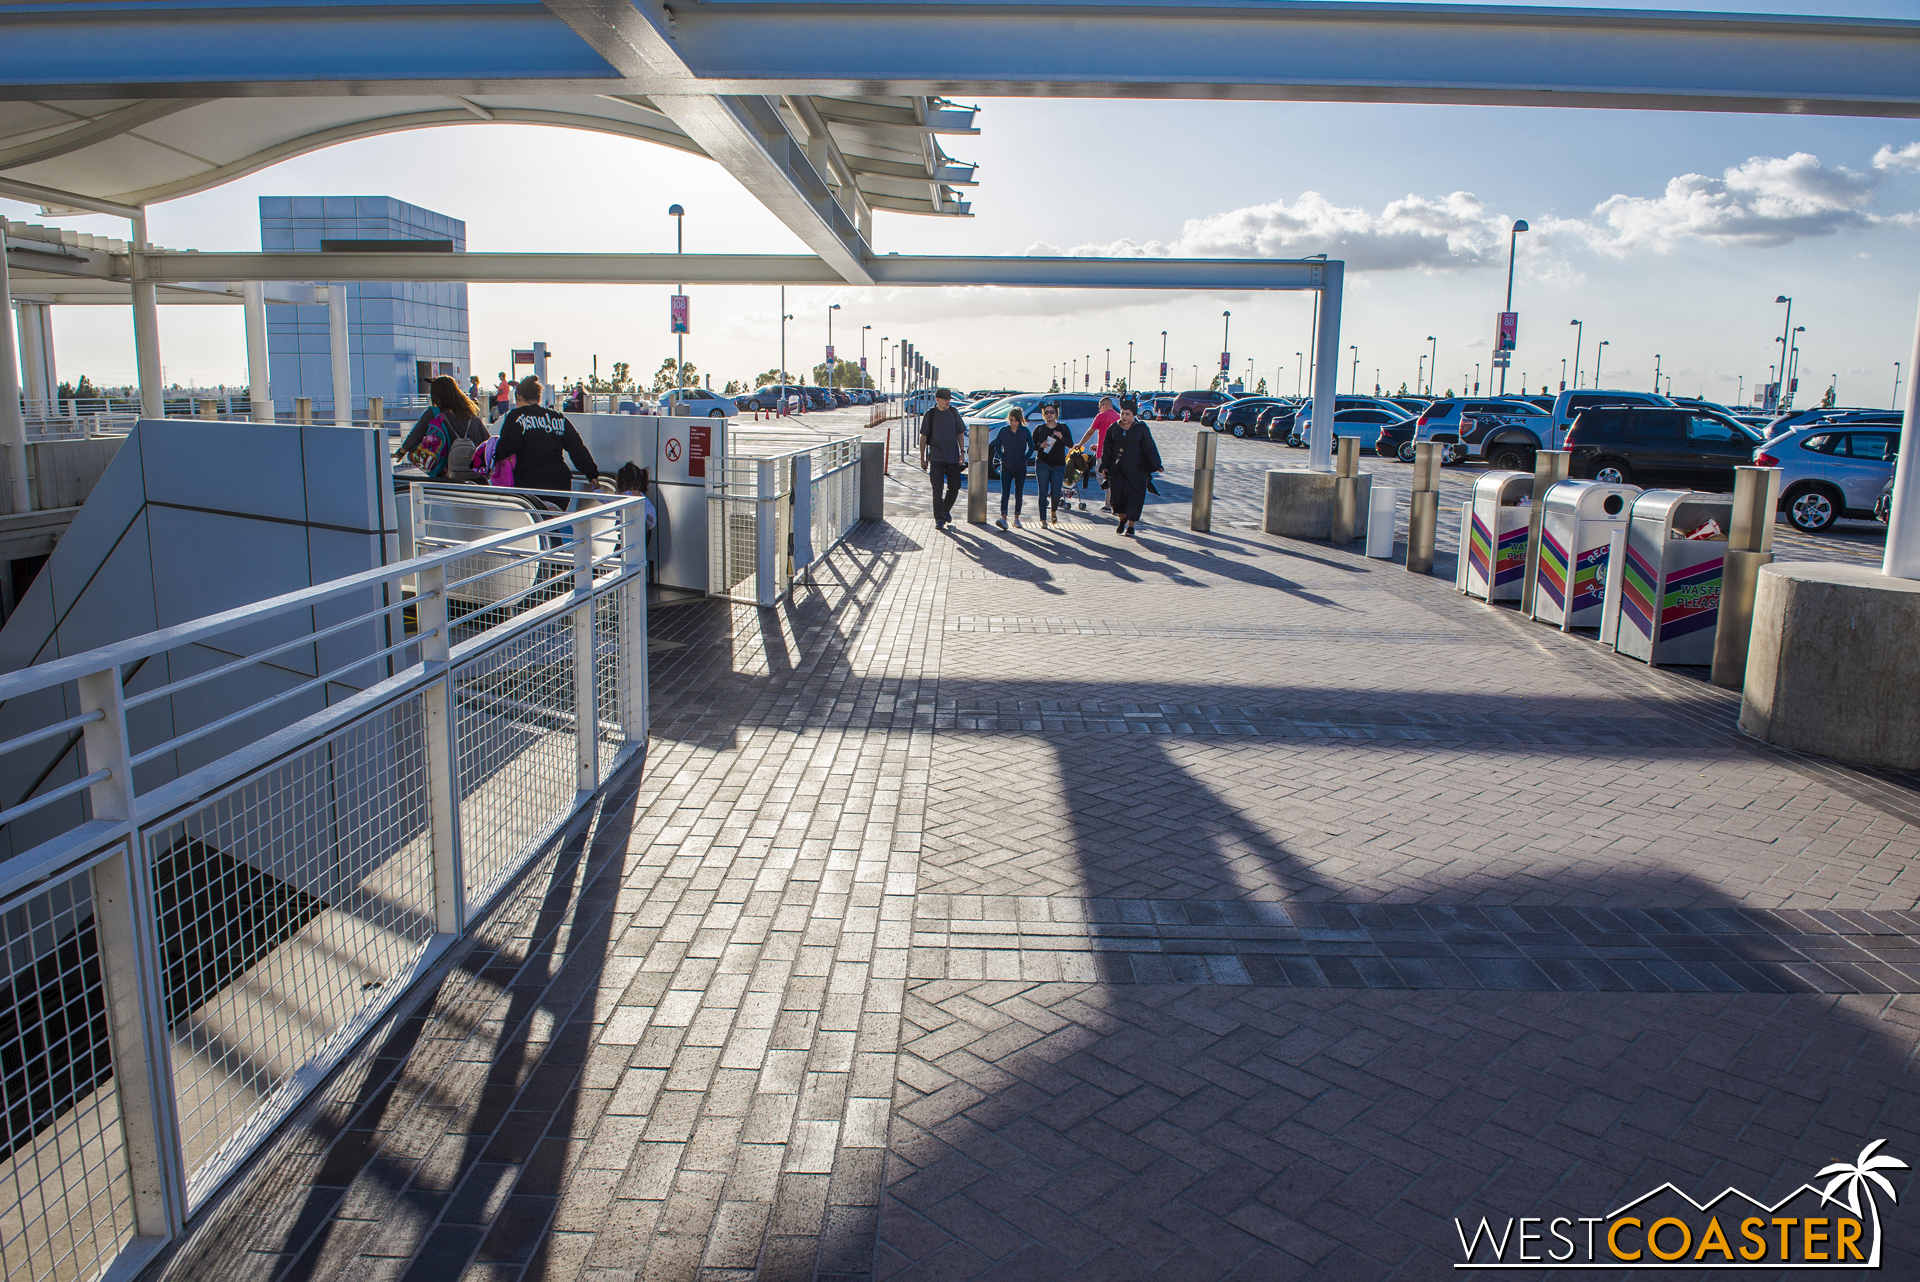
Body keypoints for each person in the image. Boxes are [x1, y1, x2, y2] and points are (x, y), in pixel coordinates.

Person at [495, 375, 600, 500]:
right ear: (538, 397)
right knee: (555, 518)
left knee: (538, 518)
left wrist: (490, 457)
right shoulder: (557, 417)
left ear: (519, 396)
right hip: (560, 484)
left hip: (531, 485)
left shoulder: (516, 416)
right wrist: (592, 474)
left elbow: (507, 446)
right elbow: (576, 447)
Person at [396, 375, 488, 479]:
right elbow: (487, 441)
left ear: (437, 395)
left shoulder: (433, 414)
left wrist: (401, 453)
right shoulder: (472, 416)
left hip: (445, 475)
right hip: (472, 474)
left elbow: (415, 435)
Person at [1099, 399, 1163, 537]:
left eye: (1128, 414)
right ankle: (1122, 519)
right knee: (1117, 497)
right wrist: (1104, 465)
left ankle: (1131, 526)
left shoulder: (1141, 428)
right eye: (1122, 413)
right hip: (1117, 469)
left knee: (1135, 498)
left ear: (1134, 414)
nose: (1124, 417)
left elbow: (1150, 447)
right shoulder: (1113, 428)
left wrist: (1157, 464)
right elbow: (1107, 448)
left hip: (1137, 470)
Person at [919, 387, 966, 529]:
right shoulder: (930, 415)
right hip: (936, 457)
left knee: (955, 487)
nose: (948, 402)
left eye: (949, 399)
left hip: (952, 456)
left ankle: (945, 510)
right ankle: (939, 519)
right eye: (945, 399)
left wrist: (962, 452)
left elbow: (960, 433)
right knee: (937, 488)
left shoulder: (953, 412)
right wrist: (922, 458)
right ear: (937, 400)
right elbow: (923, 437)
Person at [1031, 402, 1073, 529]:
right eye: (1046, 412)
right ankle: (1043, 520)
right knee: (1042, 492)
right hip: (1042, 463)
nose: (1049, 414)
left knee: (1056, 493)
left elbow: (1070, 444)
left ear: (1056, 414)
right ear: (1043, 415)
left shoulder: (1063, 428)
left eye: (1052, 412)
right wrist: (1040, 446)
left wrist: (1061, 437)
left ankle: (1053, 512)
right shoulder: (1039, 428)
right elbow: (1032, 446)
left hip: (1058, 465)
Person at [1076, 395, 1120, 512]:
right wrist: (1097, 446)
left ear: (1105, 405)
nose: (1099, 409)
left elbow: (1090, 432)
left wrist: (1080, 445)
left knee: (1102, 479)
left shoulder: (1102, 416)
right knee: (1113, 478)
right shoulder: (1119, 417)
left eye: (1100, 406)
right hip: (1115, 455)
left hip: (1103, 455)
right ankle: (1108, 505)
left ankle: (1114, 502)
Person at [994, 407, 1033, 530]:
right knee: (1005, 492)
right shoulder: (1003, 431)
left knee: (1019, 493)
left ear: (1020, 420)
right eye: (1011, 420)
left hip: (1020, 467)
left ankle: (1016, 518)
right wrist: (1002, 457)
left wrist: (1025, 457)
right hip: (1006, 466)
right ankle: (1004, 518)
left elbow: (1031, 446)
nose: (1013, 423)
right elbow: (997, 445)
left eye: (1016, 420)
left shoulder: (1025, 431)